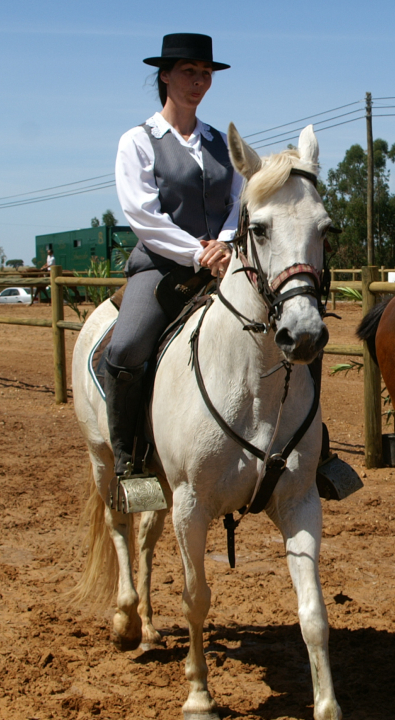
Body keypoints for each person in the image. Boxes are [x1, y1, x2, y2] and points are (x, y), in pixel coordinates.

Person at [106, 33, 240, 484]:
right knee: (125, 349)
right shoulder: (138, 141)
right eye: (189, 71)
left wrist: (224, 243)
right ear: (165, 76)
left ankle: (309, 446)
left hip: (224, 260)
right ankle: (131, 458)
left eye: (205, 73)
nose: (199, 80)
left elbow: (239, 201)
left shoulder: (221, 142)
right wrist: (198, 253)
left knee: (293, 321)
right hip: (162, 267)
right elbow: (144, 215)